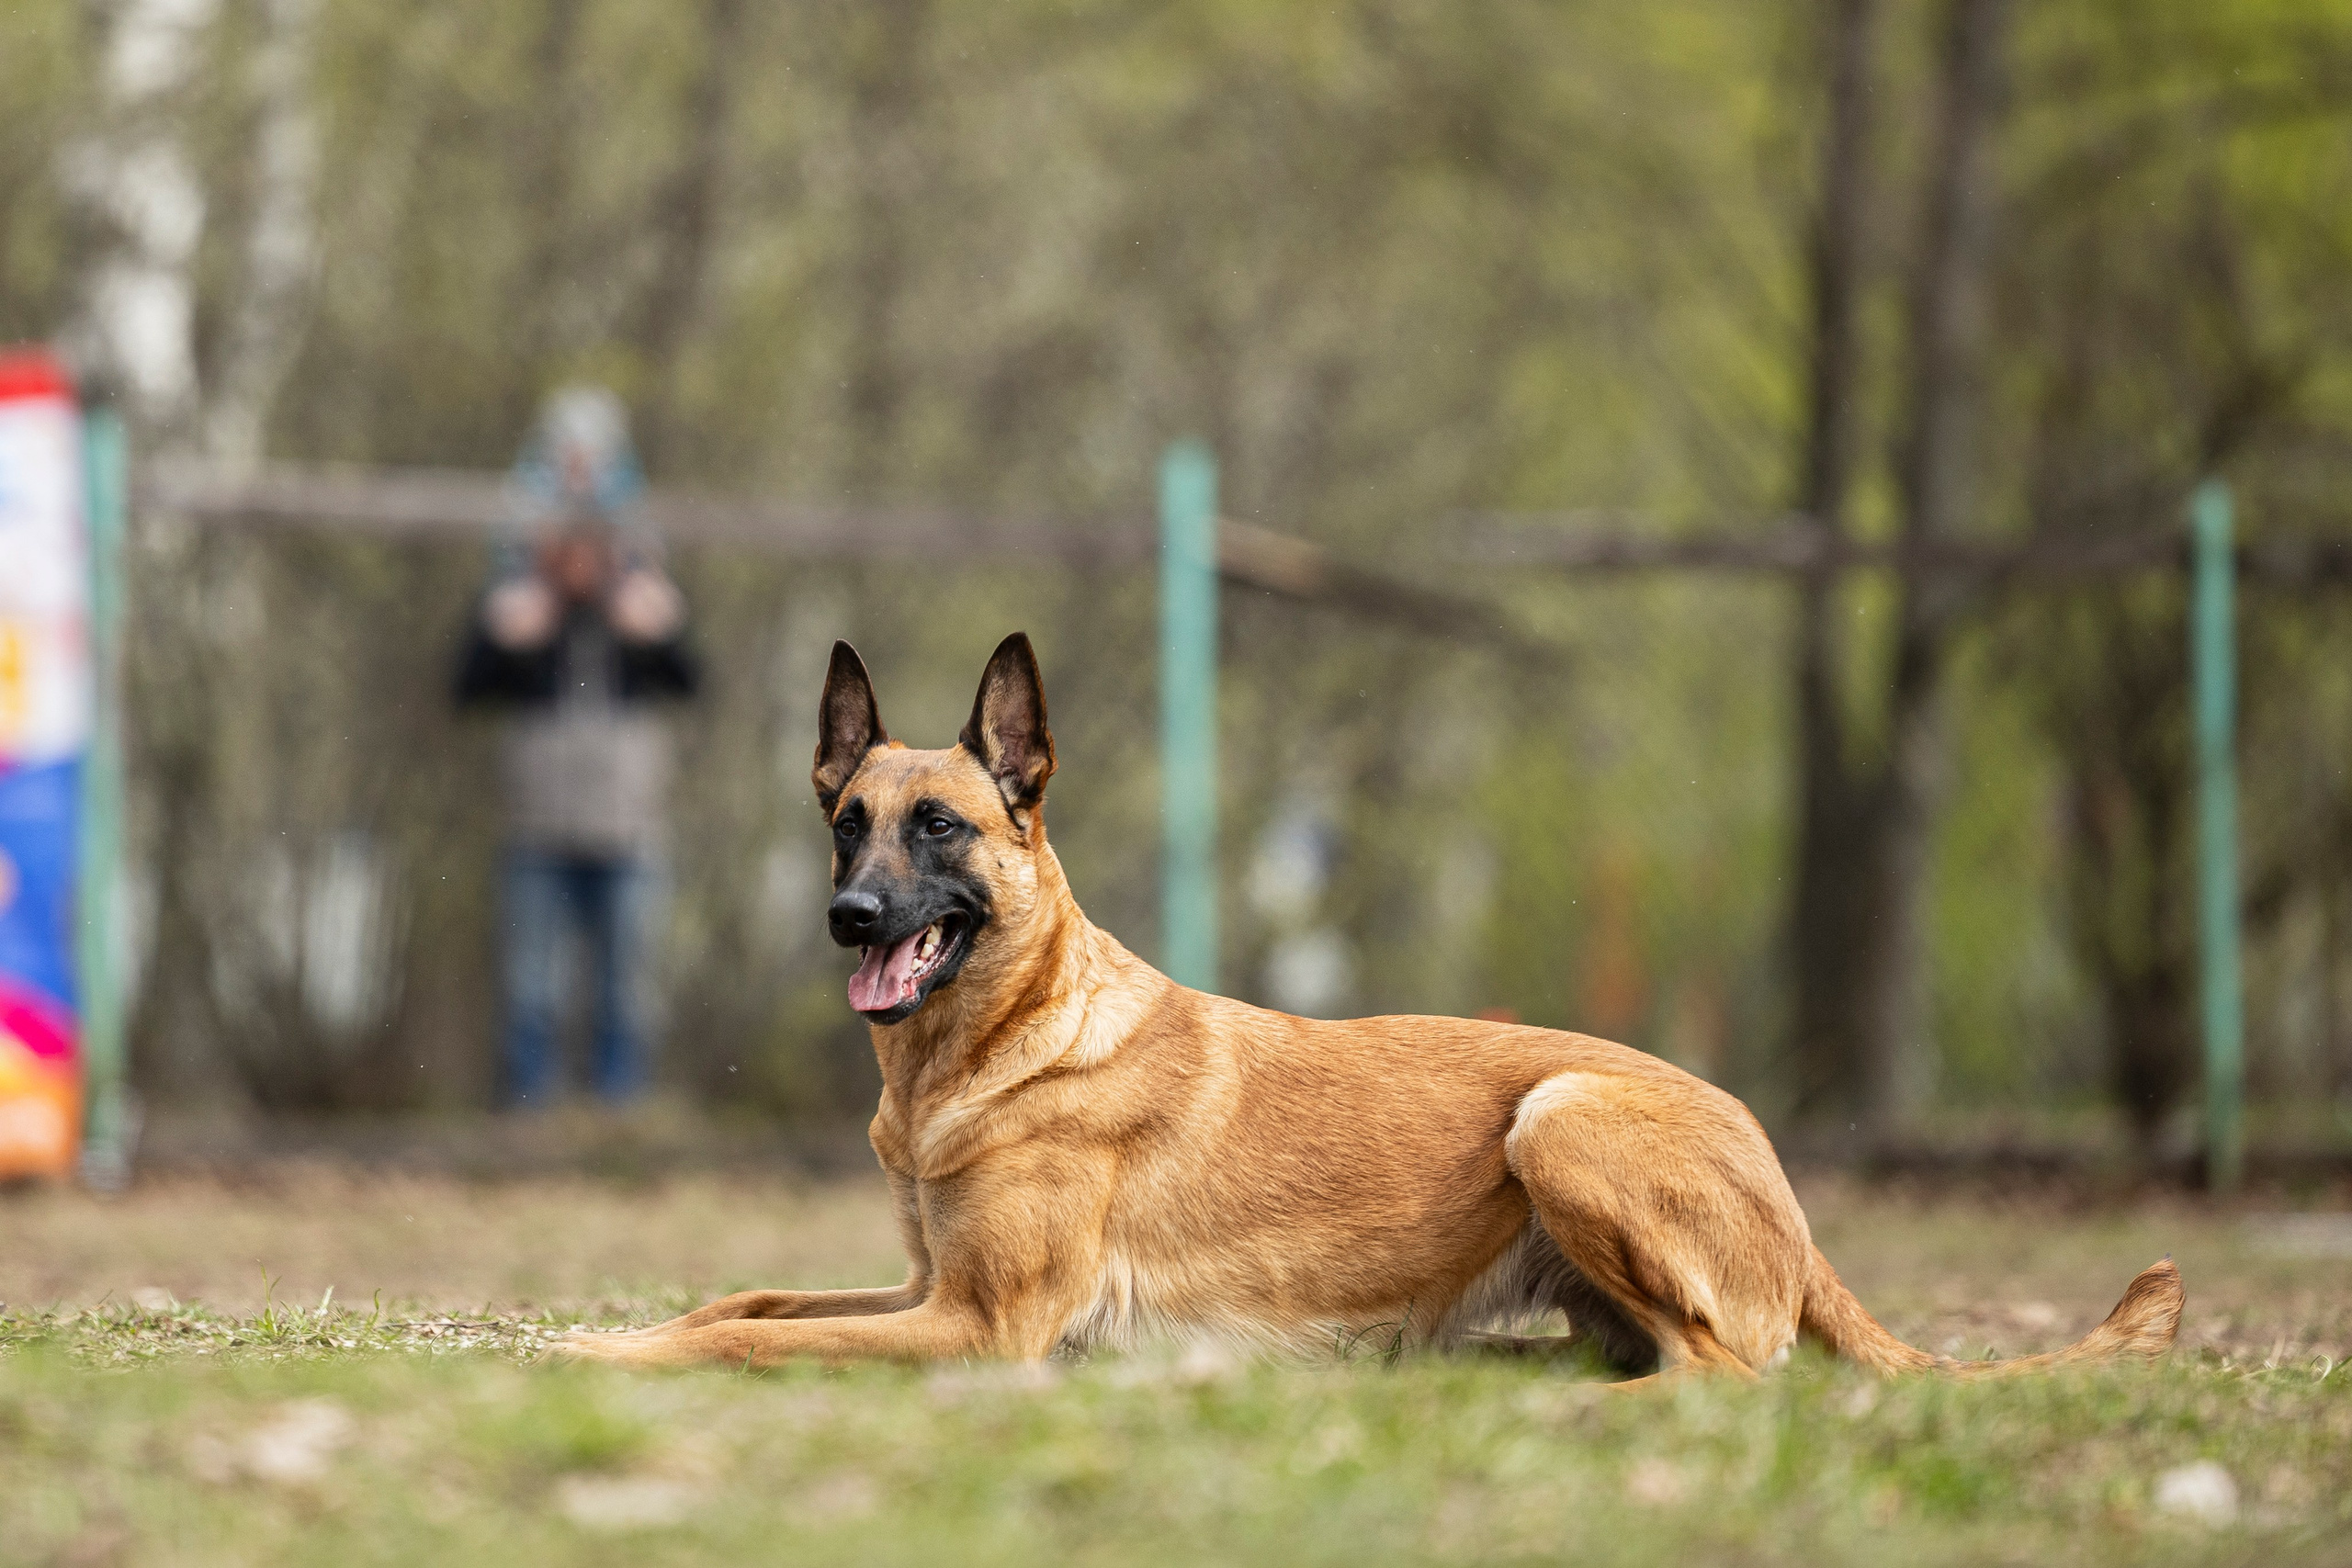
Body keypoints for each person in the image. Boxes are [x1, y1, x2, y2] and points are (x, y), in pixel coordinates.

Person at [456, 390, 697, 1109]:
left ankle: (617, 1120)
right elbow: (467, 686)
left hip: (630, 823)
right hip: (538, 823)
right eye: (568, 460)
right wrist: (511, 628)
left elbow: (689, 679)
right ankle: (530, 1118)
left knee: (628, 987)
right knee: (534, 986)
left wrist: (652, 627)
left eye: (592, 460)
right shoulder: (515, 581)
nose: (581, 477)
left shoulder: (644, 577)